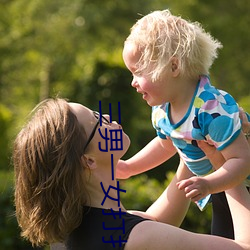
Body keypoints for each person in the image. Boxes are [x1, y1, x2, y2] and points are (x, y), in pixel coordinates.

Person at [13, 98, 250, 250]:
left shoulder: (72, 233)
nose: (107, 117)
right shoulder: (138, 238)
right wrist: (226, 165)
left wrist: (189, 138)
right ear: (89, 160)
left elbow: (156, 222)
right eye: (97, 120)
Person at [119, 9, 250, 239]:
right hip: (220, 189)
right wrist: (130, 167)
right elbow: (166, 145)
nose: (132, 83)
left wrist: (209, 184)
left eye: (138, 72)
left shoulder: (210, 109)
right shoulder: (162, 110)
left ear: (173, 67)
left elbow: (242, 160)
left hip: (239, 186)